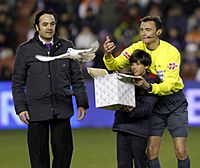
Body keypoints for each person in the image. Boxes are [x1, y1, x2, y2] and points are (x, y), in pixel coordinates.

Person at [103, 15, 190, 168]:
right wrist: (108, 55)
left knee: (180, 151)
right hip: (154, 105)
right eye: (142, 29)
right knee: (151, 152)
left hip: (174, 103)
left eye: (148, 29)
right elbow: (114, 65)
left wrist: (149, 87)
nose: (144, 33)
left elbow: (169, 85)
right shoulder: (136, 48)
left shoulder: (171, 52)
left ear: (159, 32)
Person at [12, 10, 89, 168]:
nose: (49, 27)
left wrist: (82, 102)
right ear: (37, 27)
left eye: (52, 24)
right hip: (36, 110)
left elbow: (77, 77)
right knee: (39, 157)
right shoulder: (25, 50)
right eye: (45, 24)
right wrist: (20, 108)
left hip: (62, 108)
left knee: (64, 154)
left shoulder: (68, 47)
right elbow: (18, 82)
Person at [113, 49, 159, 168]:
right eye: (132, 64)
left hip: (139, 130)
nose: (134, 67)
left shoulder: (151, 83)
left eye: (138, 64)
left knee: (140, 164)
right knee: (123, 165)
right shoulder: (124, 79)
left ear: (147, 66)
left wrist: (132, 110)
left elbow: (147, 108)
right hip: (122, 127)